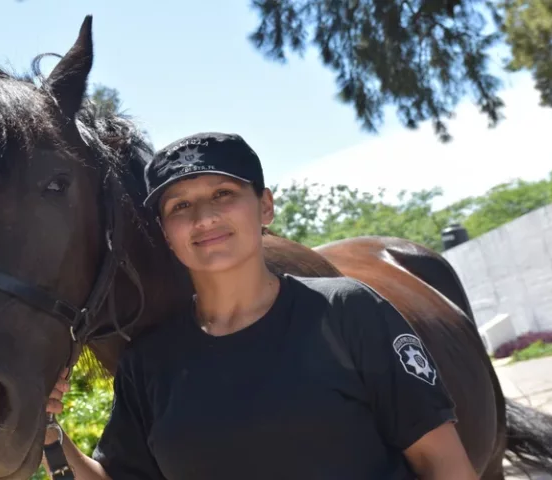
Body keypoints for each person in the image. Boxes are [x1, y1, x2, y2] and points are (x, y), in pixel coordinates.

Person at [42, 132, 478, 479]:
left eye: (223, 194)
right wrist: (48, 435)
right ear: (165, 231)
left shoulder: (348, 313)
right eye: (181, 205)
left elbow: (444, 465)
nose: (204, 218)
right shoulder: (148, 364)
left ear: (264, 207)